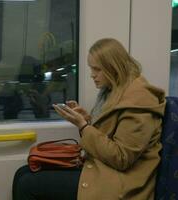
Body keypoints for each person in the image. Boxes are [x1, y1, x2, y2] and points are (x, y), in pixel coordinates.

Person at [12, 38, 166, 200]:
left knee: (28, 184)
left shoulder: (139, 101)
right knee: (23, 173)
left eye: (97, 69)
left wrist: (84, 126)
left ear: (113, 68)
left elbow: (122, 158)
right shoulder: (114, 91)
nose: (92, 75)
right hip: (104, 168)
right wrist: (87, 120)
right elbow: (109, 137)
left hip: (121, 182)